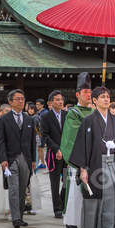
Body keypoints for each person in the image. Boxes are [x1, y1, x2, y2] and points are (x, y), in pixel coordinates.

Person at [69, 86, 115, 228]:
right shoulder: (88, 121)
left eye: (108, 96)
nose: (106, 99)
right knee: (97, 200)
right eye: (102, 97)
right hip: (96, 164)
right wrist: (83, 169)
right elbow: (82, 145)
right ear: (94, 101)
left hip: (113, 163)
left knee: (113, 199)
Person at [0, 89, 37, 228]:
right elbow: (0, 141)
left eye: (22, 99)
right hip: (11, 158)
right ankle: (15, 218)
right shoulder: (3, 120)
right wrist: (3, 159)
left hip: (25, 158)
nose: (21, 101)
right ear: (11, 102)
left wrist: (33, 160)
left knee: (22, 188)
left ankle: (20, 215)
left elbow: (32, 141)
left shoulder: (29, 119)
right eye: (18, 99)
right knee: (13, 188)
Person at [61, 72, 95, 228]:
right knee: (76, 192)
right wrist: (81, 159)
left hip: (94, 158)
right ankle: (73, 221)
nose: (89, 95)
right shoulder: (73, 113)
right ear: (78, 94)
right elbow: (71, 138)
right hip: (79, 157)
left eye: (90, 92)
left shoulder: (95, 112)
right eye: (85, 92)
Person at [41, 90, 67, 219]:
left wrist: (65, 150)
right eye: (57, 99)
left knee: (67, 180)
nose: (60, 101)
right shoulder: (46, 117)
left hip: (67, 155)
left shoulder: (67, 115)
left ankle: (63, 203)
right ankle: (57, 208)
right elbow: (45, 136)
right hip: (53, 154)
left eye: (61, 99)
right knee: (55, 182)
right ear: (51, 103)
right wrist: (57, 149)